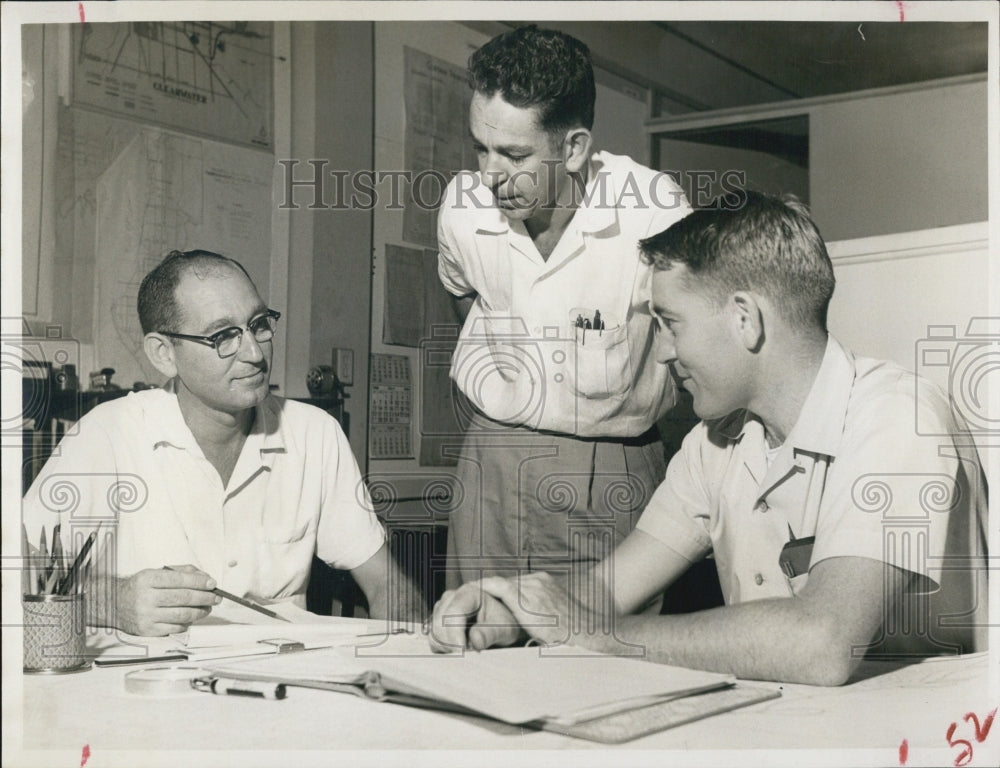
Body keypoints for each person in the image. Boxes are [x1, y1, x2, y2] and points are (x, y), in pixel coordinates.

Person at [430, 192, 988, 686]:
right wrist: (509, 609)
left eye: (672, 323)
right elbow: (603, 594)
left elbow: (822, 642)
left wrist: (601, 637)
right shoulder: (713, 444)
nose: (664, 351)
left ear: (745, 318)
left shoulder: (899, 416)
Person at [22, 250, 423, 636]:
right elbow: (14, 573)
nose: (254, 353)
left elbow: (386, 584)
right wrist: (112, 602)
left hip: (282, 683)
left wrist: (413, 655)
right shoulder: (105, 434)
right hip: (152, 692)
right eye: (222, 336)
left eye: (259, 324)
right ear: (164, 354)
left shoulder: (316, 434)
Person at [436, 25, 691, 589]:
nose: (490, 175)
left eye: (514, 154)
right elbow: (462, 291)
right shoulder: (461, 209)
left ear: (574, 147)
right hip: (491, 462)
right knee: (473, 653)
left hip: (611, 467)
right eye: (480, 147)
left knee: (601, 665)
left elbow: (697, 339)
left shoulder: (654, 212)